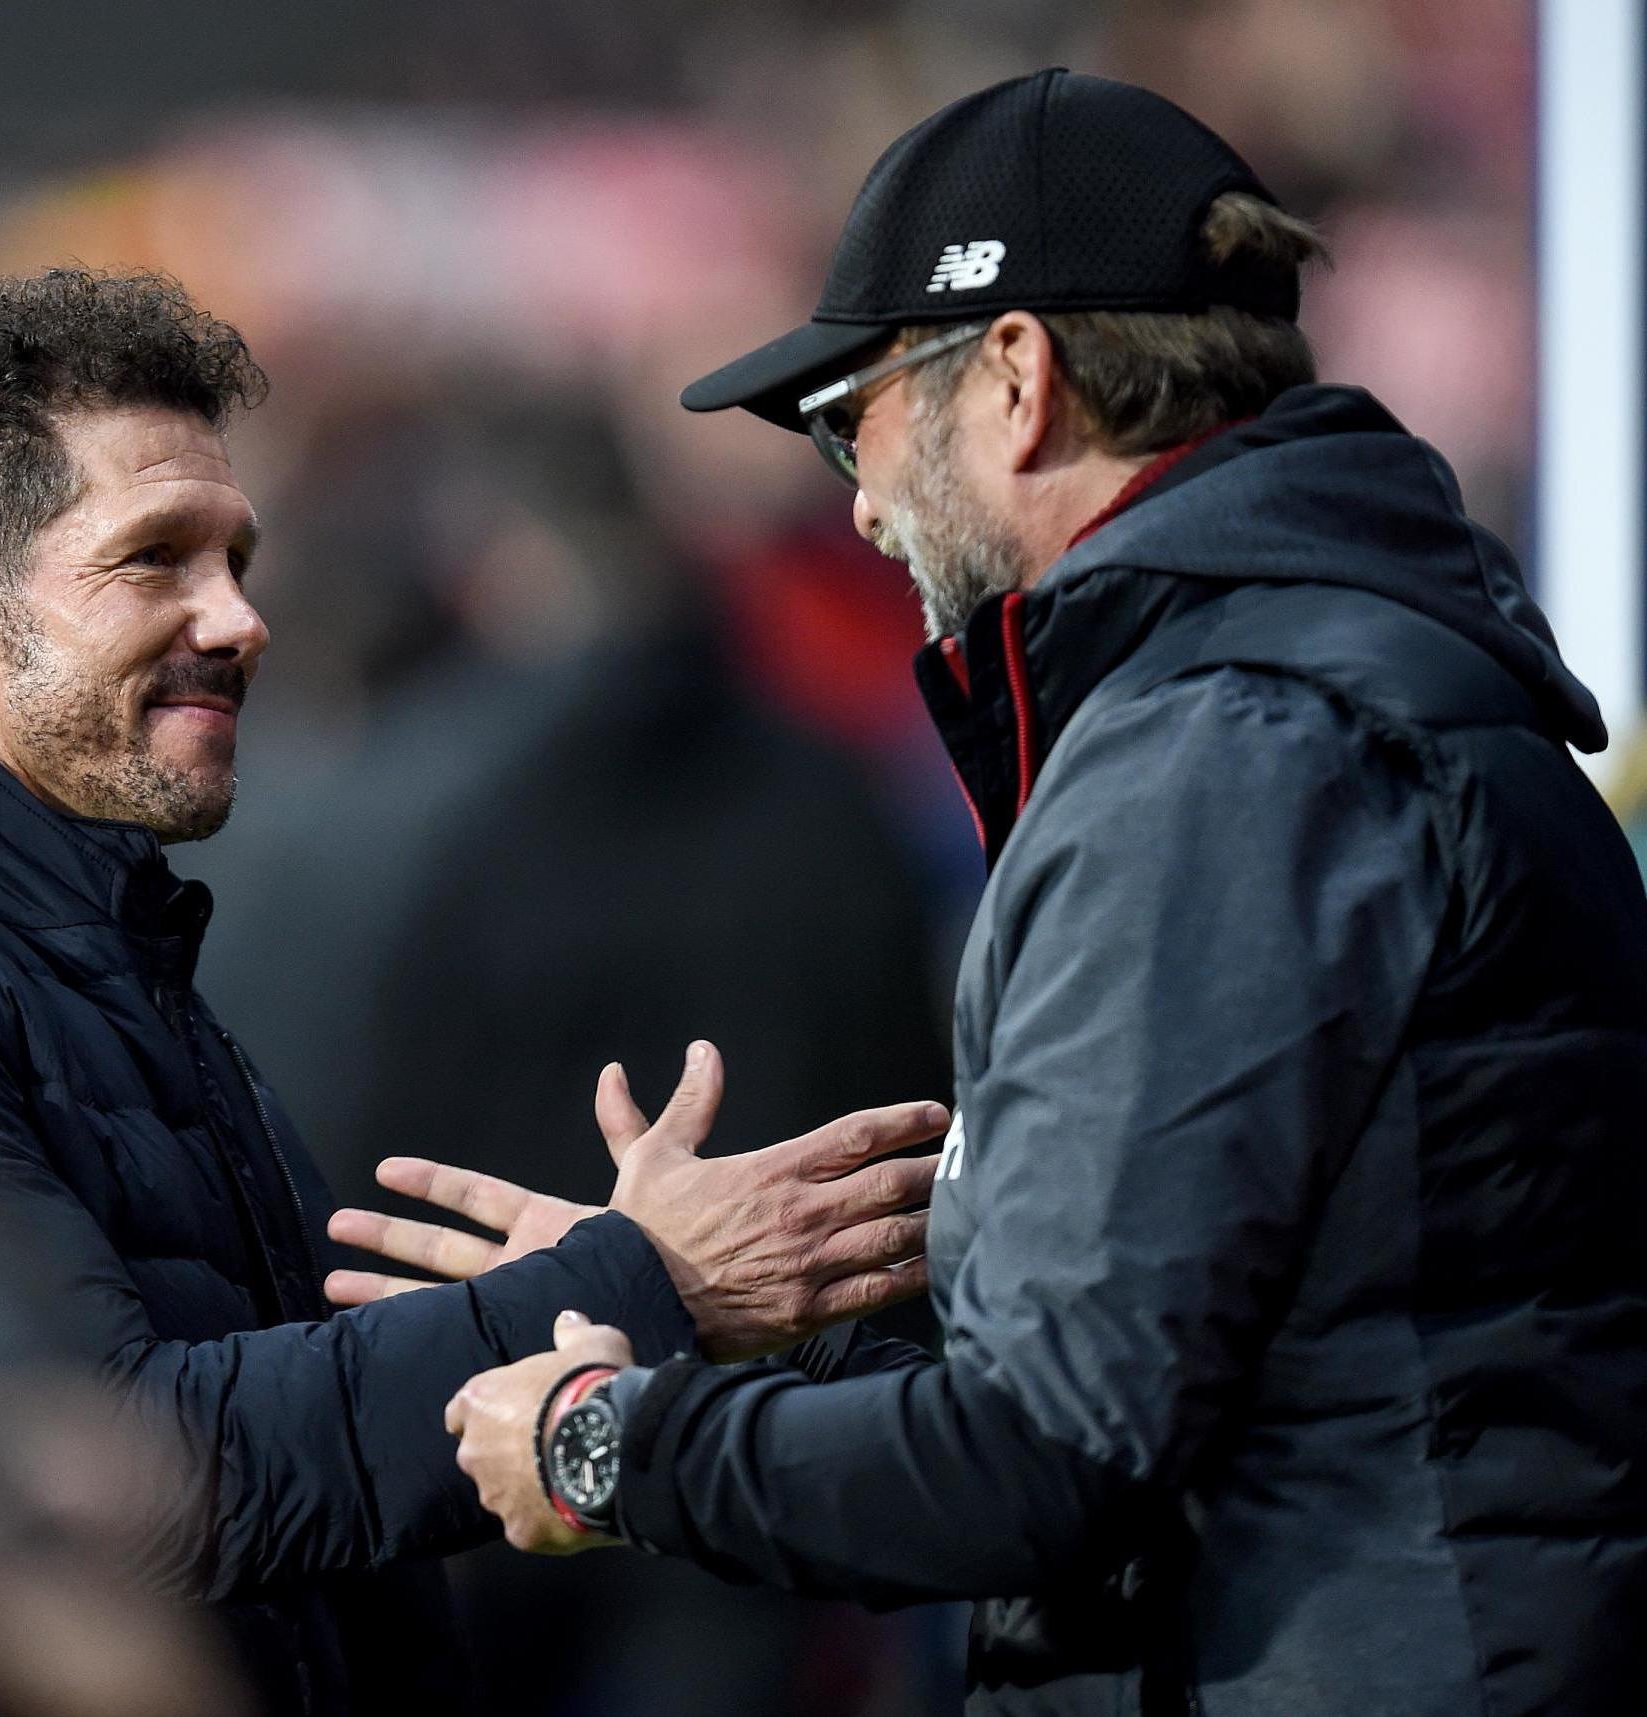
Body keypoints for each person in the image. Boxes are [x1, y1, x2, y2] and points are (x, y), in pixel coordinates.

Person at [436, 68, 1647, 1716]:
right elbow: (1213, 1351)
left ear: (1013, 379)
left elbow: (1047, 1448)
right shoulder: (1288, 693)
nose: (851, 498)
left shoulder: (1224, 746)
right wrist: (720, 1326)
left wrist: (610, 1446)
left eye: (846, 414)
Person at [0, 269, 946, 1717]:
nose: (240, 617)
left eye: (236, 556)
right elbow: (122, 1463)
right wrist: (641, 1281)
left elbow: (287, 1420)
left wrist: (581, 1291)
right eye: (155, 558)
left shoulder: (104, 929)